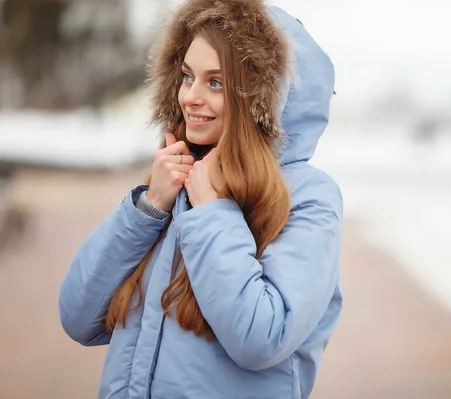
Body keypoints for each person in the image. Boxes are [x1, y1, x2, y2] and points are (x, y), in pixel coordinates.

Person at [58, 0, 342, 398]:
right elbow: (77, 318)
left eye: (216, 82)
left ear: (263, 102)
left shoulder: (308, 198)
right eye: (187, 76)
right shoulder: (174, 183)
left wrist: (212, 213)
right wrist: (148, 209)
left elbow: (263, 338)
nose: (190, 96)